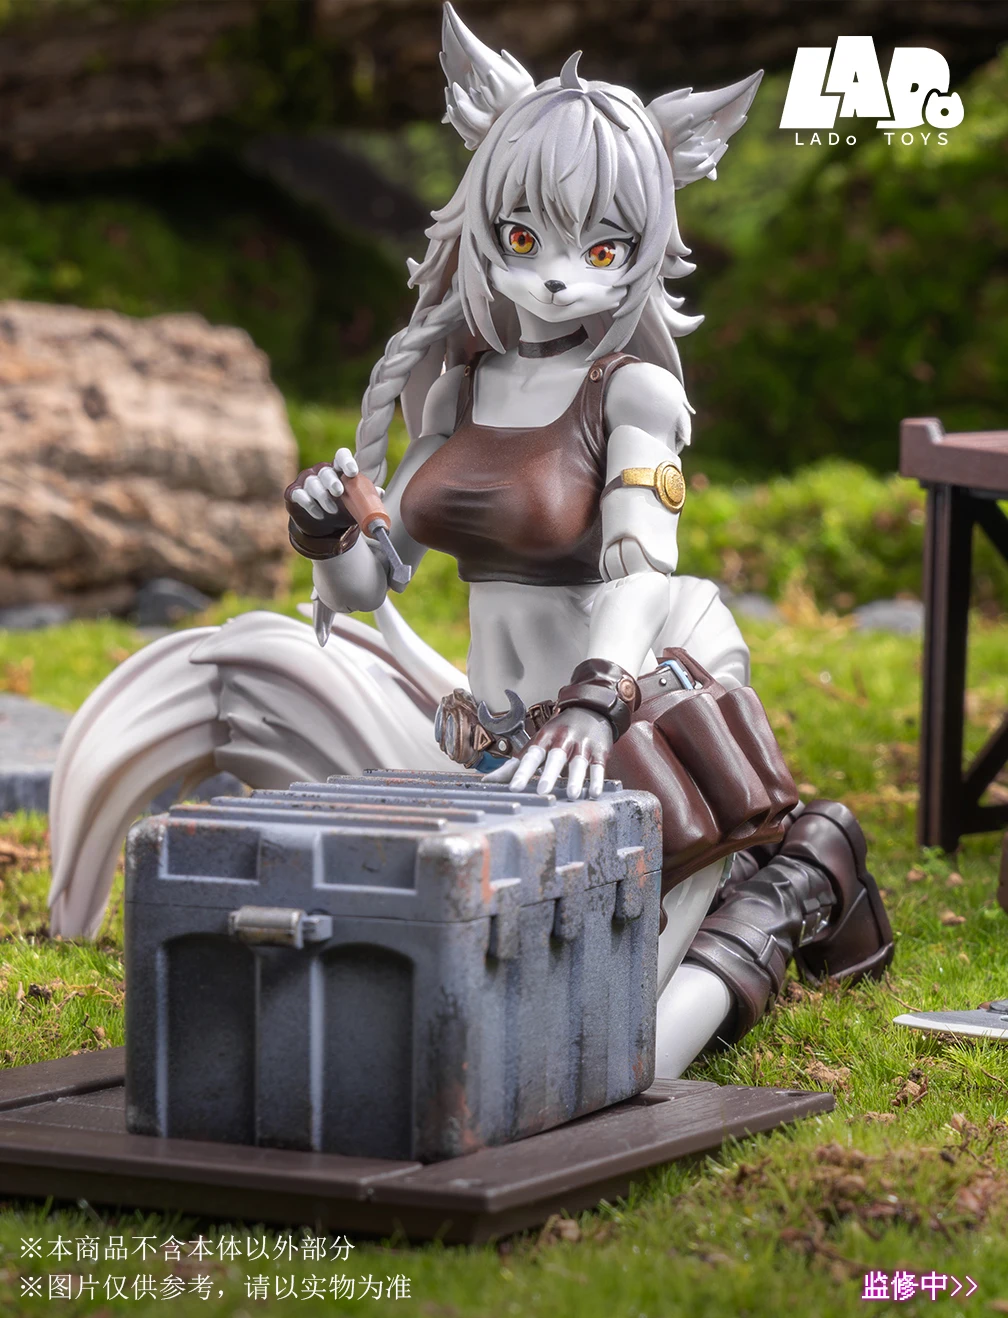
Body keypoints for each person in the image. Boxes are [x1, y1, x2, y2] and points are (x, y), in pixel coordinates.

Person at [48, 6, 892, 1076]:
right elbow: (374, 579)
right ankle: (786, 872)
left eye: (601, 249)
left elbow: (642, 569)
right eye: (527, 239)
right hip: (479, 739)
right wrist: (326, 533)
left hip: (616, 728)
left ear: (641, 250)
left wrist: (594, 703)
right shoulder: (458, 388)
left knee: (614, 1056)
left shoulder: (632, 391)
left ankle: (793, 886)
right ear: (487, 222)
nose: (559, 277)